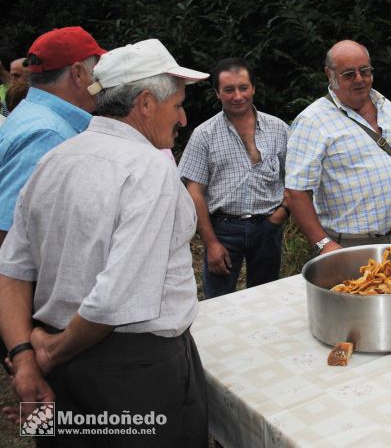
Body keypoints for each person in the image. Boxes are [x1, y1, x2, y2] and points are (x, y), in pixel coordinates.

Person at [0, 38, 210, 447]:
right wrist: (49, 352)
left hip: (61, 360)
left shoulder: (55, 158)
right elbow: (114, 298)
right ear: (146, 103)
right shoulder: (150, 169)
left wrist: (27, 357)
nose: (183, 118)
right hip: (133, 371)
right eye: (178, 105)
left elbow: (11, 268)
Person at [286, 39, 391, 255]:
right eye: (349, 74)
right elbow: (295, 191)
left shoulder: (386, 105)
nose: (359, 79)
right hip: (347, 247)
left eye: (365, 71)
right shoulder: (312, 121)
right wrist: (322, 244)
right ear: (330, 74)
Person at [179, 58, 289, 298]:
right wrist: (210, 243)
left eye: (243, 88)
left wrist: (281, 214)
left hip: (268, 225)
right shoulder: (204, 134)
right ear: (218, 93)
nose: (238, 96)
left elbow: (296, 178)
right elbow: (194, 191)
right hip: (223, 229)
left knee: (266, 298)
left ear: (253, 88)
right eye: (229, 89)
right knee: (219, 301)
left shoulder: (278, 128)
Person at [0, 26, 105, 249]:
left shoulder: (34, 116)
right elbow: (8, 235)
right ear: (78, 74)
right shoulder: (48, 136)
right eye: (97, 70)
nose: (102, 79)